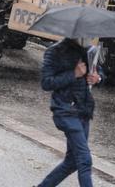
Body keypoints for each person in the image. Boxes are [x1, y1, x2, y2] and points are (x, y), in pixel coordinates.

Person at [37, 38, 103, 187]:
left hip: (84, 110)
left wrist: (97, 78)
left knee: (72, 161)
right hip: (65, 110)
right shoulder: (55, 51)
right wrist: (73, 74)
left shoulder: (89, 50)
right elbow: (46, 83)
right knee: (84, 159)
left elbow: (99, 73)